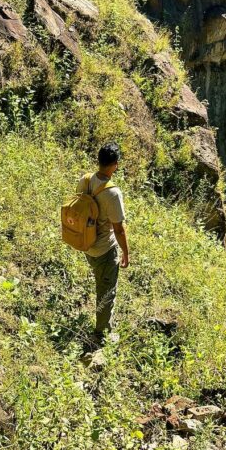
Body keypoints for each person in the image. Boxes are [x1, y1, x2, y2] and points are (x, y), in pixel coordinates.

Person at [81, 142, 129, 343]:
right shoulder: (113, 193)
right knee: (107, 291)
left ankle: (102, 328)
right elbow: (118, 228)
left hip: (86, 243)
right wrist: (126, 252)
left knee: (101, 283)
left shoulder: (85, 180)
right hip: (104, 250)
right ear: (115, 165)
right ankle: (101, 334)